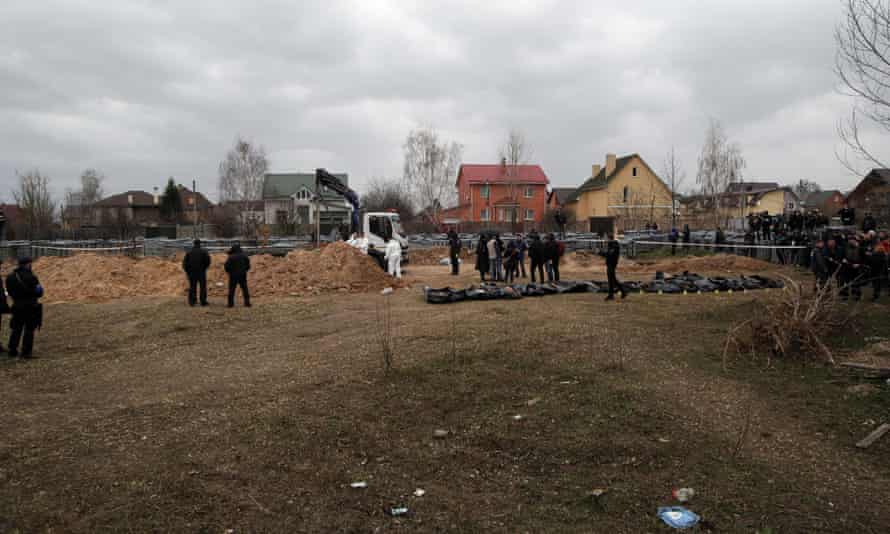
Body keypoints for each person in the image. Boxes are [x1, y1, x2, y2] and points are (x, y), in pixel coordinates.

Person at [6, 257, 42, 358]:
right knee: (29, 329)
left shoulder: (10, 277)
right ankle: (26, 352)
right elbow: (39, 293)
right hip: (30, 306)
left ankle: (12, 350)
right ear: (27, 264)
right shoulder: (32, 277)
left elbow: (9, 292)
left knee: (16, 328)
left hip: (16, 305)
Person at [182, 239, 211, 306]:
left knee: (192, 287)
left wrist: (188, 271)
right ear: (200, 244)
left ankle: (192, 301)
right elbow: (208, 261)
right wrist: (204, 268)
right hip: (201, 272)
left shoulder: (189, 252)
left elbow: (184, 264)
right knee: (203, 287)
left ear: (194, 244)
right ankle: (203, 301)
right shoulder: (204, 252)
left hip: (192, 273)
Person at [224, 244, 251, 308]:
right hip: (242, 275)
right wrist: (244, 270)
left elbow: (226, 266)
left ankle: (230, 304)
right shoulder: (244, 256)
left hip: (233, 275)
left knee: (231, 290)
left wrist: (229, 272)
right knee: (245, 289)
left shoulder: (231, 257)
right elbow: (248, 266)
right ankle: (247, 303)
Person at [600, 236, 627, 301]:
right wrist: (601, 253)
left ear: (610, 239)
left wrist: (602, 253)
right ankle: (621, 293)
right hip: (610, 264)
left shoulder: (614, 245)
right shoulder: (612, 245)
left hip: (612, 264)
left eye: (607, 239)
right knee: (612, 280)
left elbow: (610, 254)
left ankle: (614, 294)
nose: (606, 241)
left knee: (612, 280)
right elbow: (608, 254)